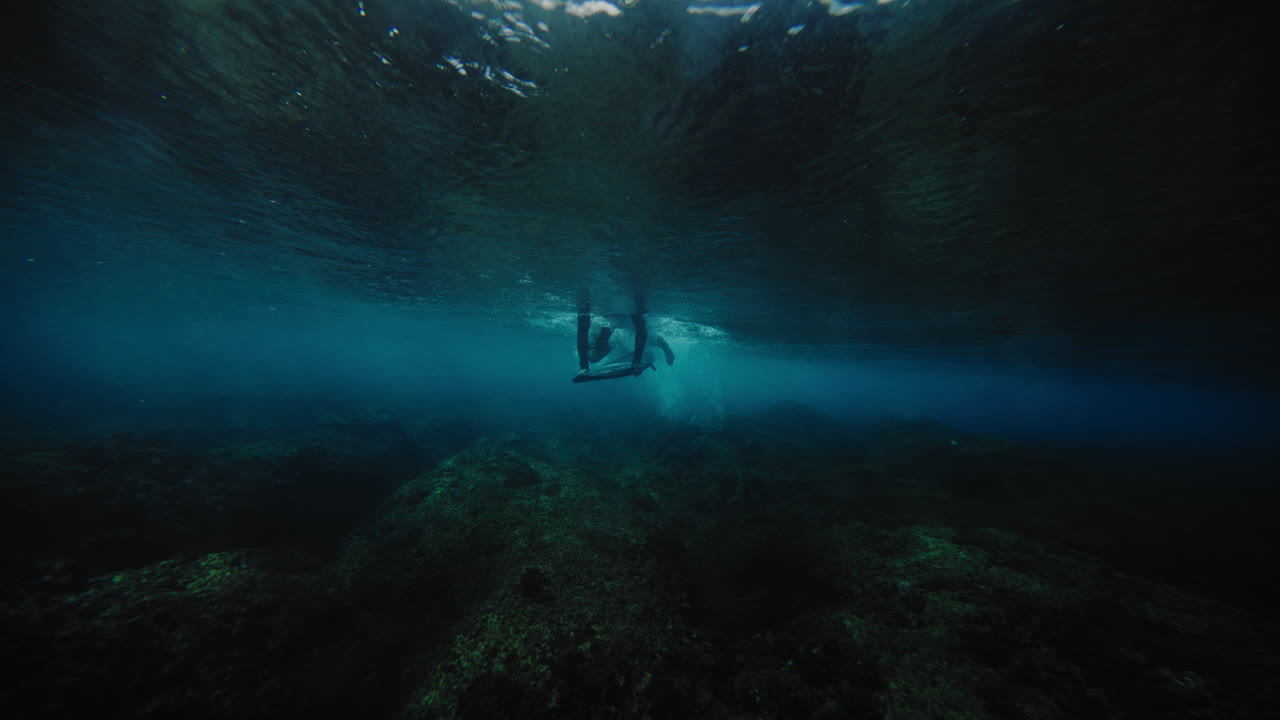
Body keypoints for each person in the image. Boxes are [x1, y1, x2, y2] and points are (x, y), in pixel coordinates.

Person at [572, 304, 674, 384]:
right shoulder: (594, 311)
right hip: (608, 315)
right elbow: (582, 331)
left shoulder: (633, 307)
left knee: (650, 336)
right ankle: (617, 344)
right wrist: (584, 367)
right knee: (593, 357)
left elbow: (641, 328)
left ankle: (665, 347)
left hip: (628, 315)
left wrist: (636, 361)